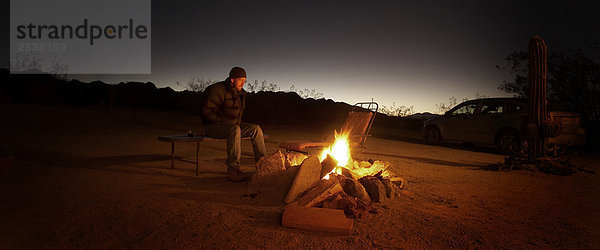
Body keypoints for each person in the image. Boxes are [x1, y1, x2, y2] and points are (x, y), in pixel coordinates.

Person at [201, 67, 266, 182]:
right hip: (213, 126)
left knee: (255, 128)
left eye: (244, 80)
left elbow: (238, 117)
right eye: (240, 80)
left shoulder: (241, 94)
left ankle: (263, 165)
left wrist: (232, 124)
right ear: (232, 79)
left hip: (232, 127)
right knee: (234, 129)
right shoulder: (218, 89)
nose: (243, 83)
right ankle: (233, 170)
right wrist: (221, 122)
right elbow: (207, 112)